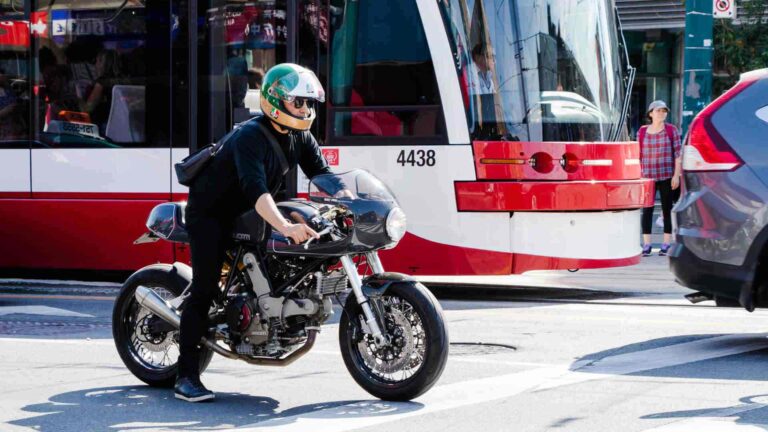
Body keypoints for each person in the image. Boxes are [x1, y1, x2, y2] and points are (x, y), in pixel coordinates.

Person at [175, 63, 333, 403]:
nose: (306, 110)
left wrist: (350, 198)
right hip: (212, 212)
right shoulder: (250, 137)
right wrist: (287, 226)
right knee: (204, 289)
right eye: (299, 103)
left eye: (309, 104)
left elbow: (322, 174)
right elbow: (257, 191)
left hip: (249, 211)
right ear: (276, 99)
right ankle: (186, 375)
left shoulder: (300, 136)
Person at [639, 100, 682, 257]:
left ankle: (666, 243)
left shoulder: (671, 130)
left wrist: (676, 176)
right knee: (647, 211)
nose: (662, 113)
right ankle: (647, 244)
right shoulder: (642, 132)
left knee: (666, 210)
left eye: (664, 111)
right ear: (651, 114)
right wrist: (638, 175)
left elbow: (678, 155)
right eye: (658, 111)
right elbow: (639, 155)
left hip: (666, 176)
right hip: (648, 177)